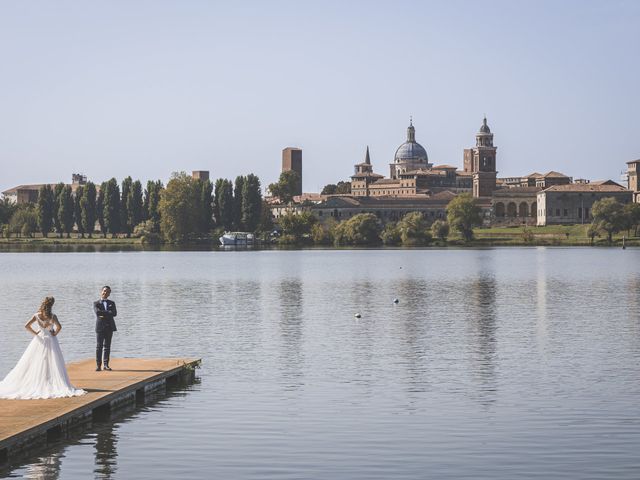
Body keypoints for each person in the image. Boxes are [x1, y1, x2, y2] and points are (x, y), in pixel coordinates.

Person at [0, 296, 86, 399]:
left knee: (37, 361)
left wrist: (35, 333)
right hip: (50, 339)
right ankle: (48, 382)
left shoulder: (36, 315)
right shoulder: (53, 316)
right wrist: (54, 333)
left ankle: (39, 381)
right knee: (53, 361)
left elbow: (26, 326)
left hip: (40, 339)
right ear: (52, 305)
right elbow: (59, 327)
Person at [94, 286, 117, 371]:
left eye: (107, 292)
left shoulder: (112, 303)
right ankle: (98, 365)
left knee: (107, 346)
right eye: (104, 291)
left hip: (109, 327)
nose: (105, 293)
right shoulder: (96, 303)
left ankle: (106, 365)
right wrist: (108, 313)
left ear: (109, 293)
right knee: (99, 347)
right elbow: (97, 313)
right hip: (100, 327)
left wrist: (103, 314)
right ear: (101, 291)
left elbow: (114, 313)